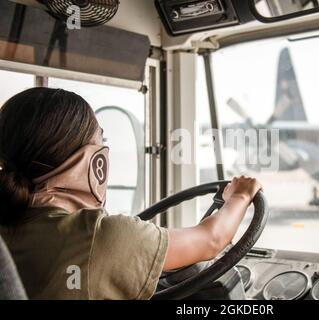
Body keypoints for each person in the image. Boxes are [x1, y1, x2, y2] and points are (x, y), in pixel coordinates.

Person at [0, 87, 262, 300]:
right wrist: (240, 195)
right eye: (100, 140)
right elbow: (212, 241)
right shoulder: (99, 236)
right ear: (91, 160)